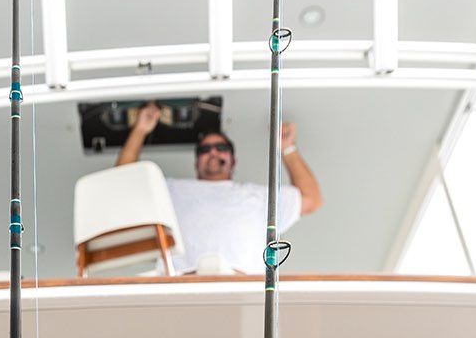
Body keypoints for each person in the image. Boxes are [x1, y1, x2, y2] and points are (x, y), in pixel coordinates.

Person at [117, 101, 322, 273]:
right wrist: (140, 129)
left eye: (221, 148)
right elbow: (125, 182)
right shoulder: (172, 189)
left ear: (234, 160)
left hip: (241, 289)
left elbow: (311, 199)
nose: (213, 153)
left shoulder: (258, 196)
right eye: (205, 150)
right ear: (196, 162)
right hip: (181, 286)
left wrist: (287, 147)